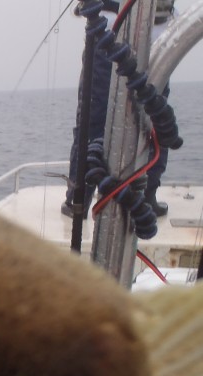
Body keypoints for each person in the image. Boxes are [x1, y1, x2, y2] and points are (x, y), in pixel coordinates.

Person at [63, 0, 177, 218]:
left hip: (116, 35)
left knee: (96, 122)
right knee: (153, 120)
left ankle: (79, 199)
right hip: (151, 35)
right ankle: (144, 198)